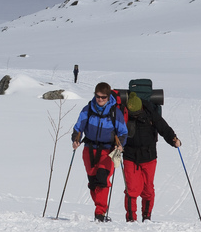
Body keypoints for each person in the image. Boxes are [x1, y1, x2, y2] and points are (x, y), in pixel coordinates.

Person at [72, 82, 128, 222]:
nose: (100, 100)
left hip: (108, 150)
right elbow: (78, 127)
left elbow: (123, 132)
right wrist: (75, 139)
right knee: (93, 182)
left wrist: (120, 145)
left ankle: (100, 213)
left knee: (102, 180)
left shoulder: (115, 112)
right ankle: (99, 207)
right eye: (98, 96)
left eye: (103, 97)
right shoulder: (88, 109)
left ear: (108, 97)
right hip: (89, 149)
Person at [121, 92, 180, 222]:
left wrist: (173, 139)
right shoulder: (124, 112)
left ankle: (146, 217)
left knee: (147, 189)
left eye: (136, 114)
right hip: (130, 156)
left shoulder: (150, 112)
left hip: (149, 156)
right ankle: (131, 219)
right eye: (132, 115)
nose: (134, 116)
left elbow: (163, 127)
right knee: (131, 189)